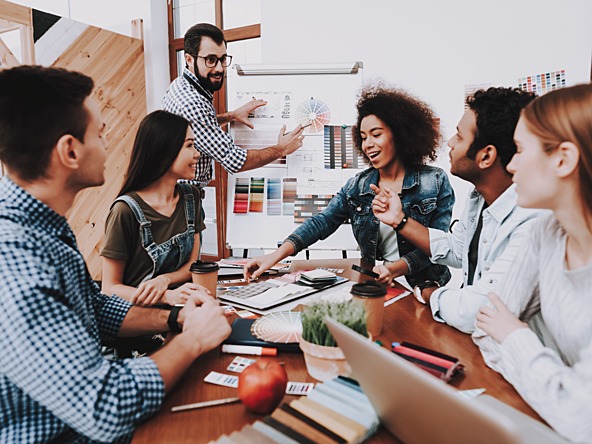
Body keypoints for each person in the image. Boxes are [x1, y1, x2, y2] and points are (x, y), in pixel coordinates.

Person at [0, 65, 231, 443]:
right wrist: (194, 340)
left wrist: (177, 319)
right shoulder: (14, 259)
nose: (108, 145)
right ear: (70, 151)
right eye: (101, 134)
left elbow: (96, 307)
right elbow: (106, 405)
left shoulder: (45, 229)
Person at [473, 84, 592, 442]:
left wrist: (516, 336)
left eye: (521, 150)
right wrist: (556, 386)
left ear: (563, 159)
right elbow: (485, 329)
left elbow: (582, 419)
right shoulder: (546, 232)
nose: (510, 165)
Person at [245, 85, 453, 288]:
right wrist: (275, 255)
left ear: (399, 135)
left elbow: (437, 247)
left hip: (428, 287)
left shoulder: (434, 182)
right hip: (376, 284)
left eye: (376, 134)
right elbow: (322, 222)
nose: (368, 144)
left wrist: (395, 269)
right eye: (363, 137)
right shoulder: (357, 186)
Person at [372, 87, 539, 333]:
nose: (450, 143)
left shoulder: (532, 220)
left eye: (459, 137)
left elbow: (479, 309)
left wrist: (431, 294)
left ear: (486, 156)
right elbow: (457, 249)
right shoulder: (479, 199)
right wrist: (399, 219)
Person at [162, 23, 305, 189]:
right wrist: (281, 149)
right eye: (210, 60)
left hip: (177, 196)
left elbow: (197, 125)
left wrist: (231, 116)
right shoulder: (192, 102)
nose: (219, 68)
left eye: (223, 59)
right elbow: (235, 161)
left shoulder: (179, 85)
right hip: (183, 202)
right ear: (189, 59)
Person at [101, 110, 206, 307]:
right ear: (164, 151)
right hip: (139, 319)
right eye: (190, 145)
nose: (197, 153)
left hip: (183, 309)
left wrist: (164, 280)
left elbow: (192, 266)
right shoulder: (125, 210)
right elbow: (109, 288)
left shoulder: (191, 197)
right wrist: (165, 296)